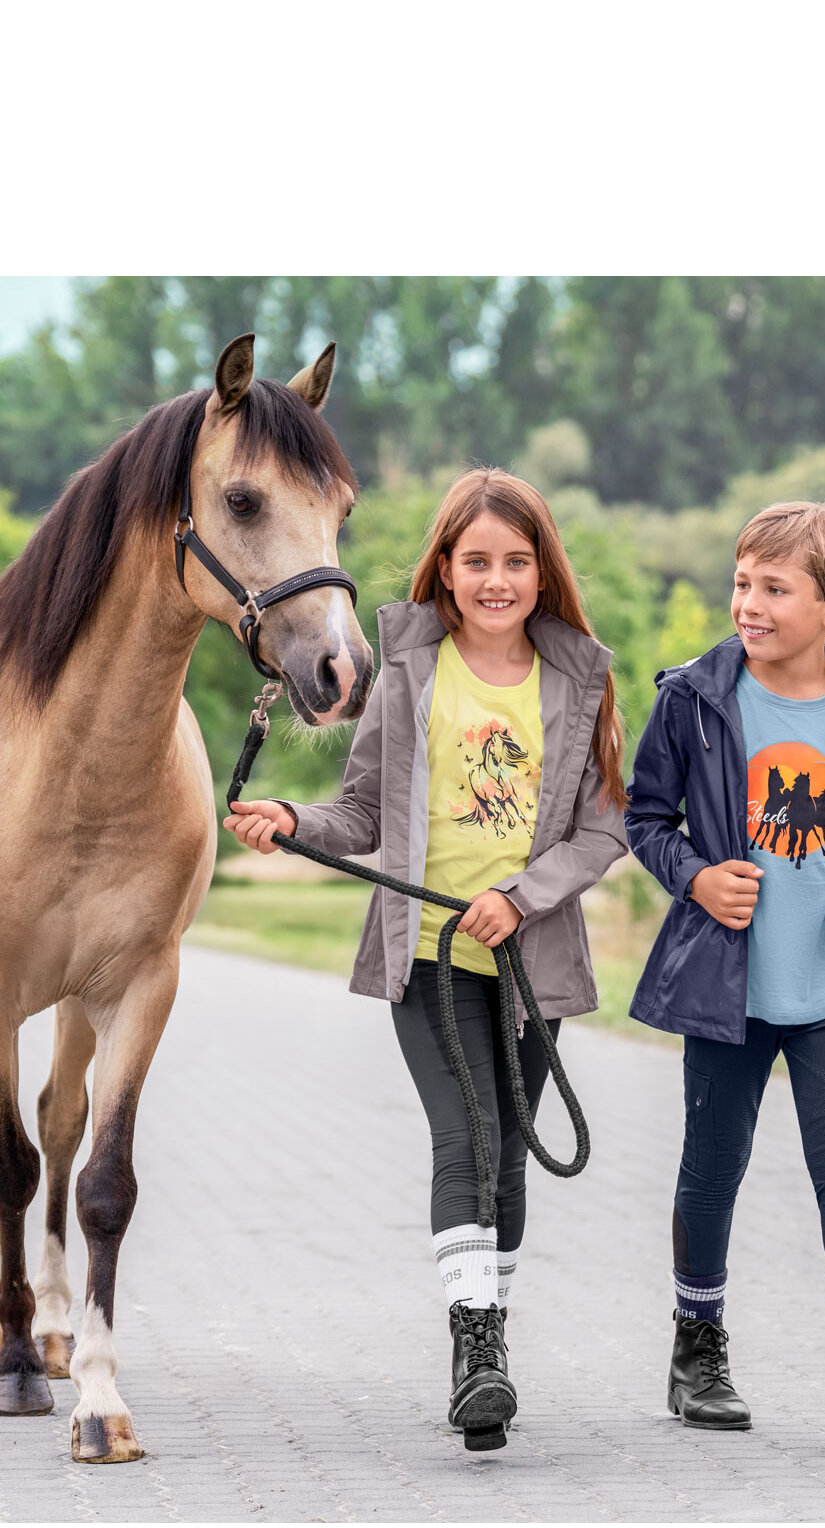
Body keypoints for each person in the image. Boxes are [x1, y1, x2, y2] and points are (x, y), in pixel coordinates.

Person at [226, 469, 628, 1452]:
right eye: (476, 560)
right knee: (471, 1139)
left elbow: (601, 828)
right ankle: (476, 1351)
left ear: (542, 574)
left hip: (531, 961)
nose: (495, 580)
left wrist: (519, 897)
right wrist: (292, 818)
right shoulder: (409, 670)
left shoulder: (579, 676)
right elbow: (361, 811)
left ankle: (487, 1341)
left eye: (515, 562)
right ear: (444, 568)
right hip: (429, 952)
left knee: (512, 1167)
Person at [624, 501, 825, 1451]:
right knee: (713, 1171)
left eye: (773, 589)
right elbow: (644, 817)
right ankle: (697, 1350)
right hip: (730, 988)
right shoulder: (694, 697)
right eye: (741, 583)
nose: (746, 605)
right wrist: (698, 878)